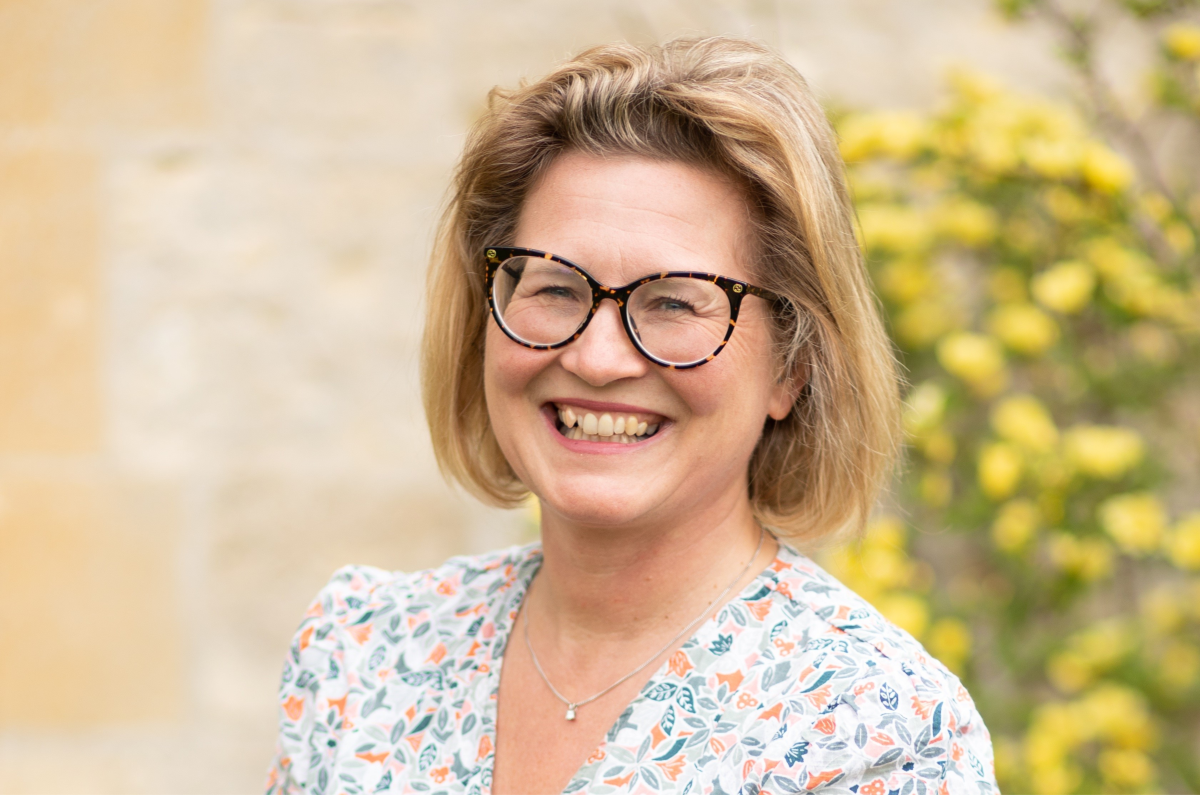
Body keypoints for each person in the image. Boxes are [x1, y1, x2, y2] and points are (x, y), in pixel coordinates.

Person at [266, 36, 999, 795]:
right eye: (554, 287)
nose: (597, 358)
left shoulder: (875, 734)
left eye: (675, 301)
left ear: (792, 366)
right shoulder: (363, 655)